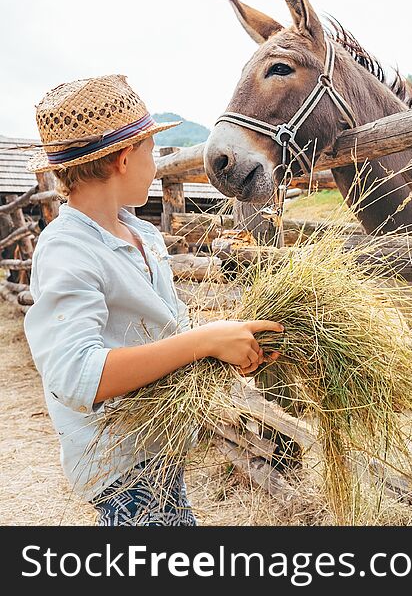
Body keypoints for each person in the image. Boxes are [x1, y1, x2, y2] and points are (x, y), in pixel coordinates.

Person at [20, 74, 283, 525]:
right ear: (124, 159)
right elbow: (78, 376)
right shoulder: (67, 249)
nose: (155, 163)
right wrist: (203, 342)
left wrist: (225, 343)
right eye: (151, 151)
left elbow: (162, 334)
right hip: (120, 466)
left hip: (154, 446)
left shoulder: (136, 232)